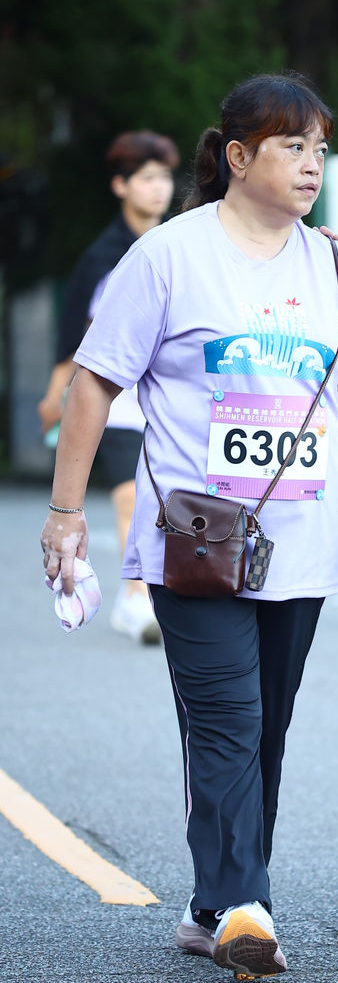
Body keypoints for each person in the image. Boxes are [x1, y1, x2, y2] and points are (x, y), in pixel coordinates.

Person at [40, 71, 338, 979]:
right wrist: (65, 512)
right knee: (226, 721)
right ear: (239, 156)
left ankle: (214, 903)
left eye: (320, 148)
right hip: (194, 536)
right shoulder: (168, 256)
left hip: (300, 539)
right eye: (292, 146)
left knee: (264, 727)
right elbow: (94, 382)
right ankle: (248, 904)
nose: (312, 164)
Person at [38, 130, 180, 644]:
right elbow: (74, 335)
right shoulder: (101, 257)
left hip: (172, 401)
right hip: (118, 404)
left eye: (165, 177)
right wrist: (55, 393)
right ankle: (137, 602)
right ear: (120, 185)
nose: (159, 188)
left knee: (167, 504)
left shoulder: (180, 245)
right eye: (147, 178)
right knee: (131, 500)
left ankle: (152, 595)